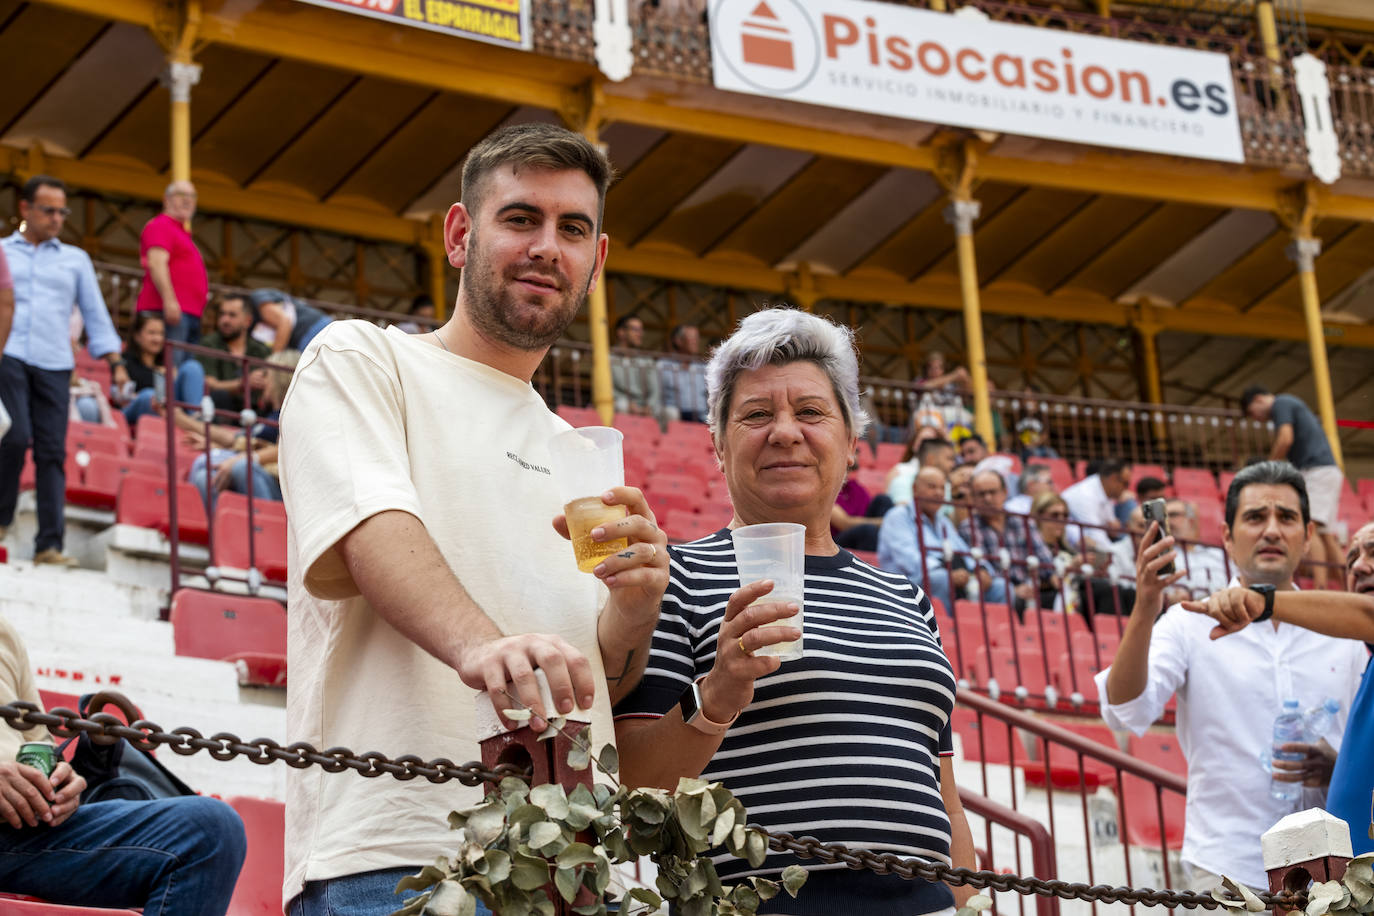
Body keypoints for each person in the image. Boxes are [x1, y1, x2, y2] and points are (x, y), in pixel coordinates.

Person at [277, 123, 669, 916]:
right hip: (398, 849)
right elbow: (371, 530)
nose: (546, 247)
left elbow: (604, 680)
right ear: (460, 235)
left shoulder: (580, 453)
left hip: (577, 870)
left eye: (573, 229)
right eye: (520, 218)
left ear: (598, 262)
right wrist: (482, 644)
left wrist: (634, 612)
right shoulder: (363, 359)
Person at [614, 308, 975, 916]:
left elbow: (939, 789)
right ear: (718, 446)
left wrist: (971, 905)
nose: (785, 432)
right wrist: (717, 697)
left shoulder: (905, 597)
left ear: (853, 441)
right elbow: (632, 784)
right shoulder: (671, 579)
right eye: (756, 415)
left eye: (810, 412)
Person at [1095, 461, 1367, 893]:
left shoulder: (1345, 633)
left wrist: (1338, 768)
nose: (1272, 531)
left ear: (1308, 535)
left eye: (1287, 518)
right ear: (1226, 536)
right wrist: (1147, 605)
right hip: (1227, 870)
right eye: (1256, 517)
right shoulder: (1188, 623)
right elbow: (1124, 708)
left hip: (1337, 874)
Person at [0, 616, 246, 912]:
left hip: (26, 831)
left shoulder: (5, 633)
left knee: (210, 830)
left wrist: (63, 784)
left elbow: (39, 743)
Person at [1182, 520, 1374, 854]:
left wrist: (1263, 602)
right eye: (1352, 558)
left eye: (1373, 553)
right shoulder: (1367, 660)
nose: (1359, 566)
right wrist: (1341, 764)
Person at [0, 176, 130, 565]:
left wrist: (115, 362)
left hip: (55, 362)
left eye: (62, 211)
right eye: (48, 210)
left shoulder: (75, 259)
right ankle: (2, 518)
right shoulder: (3, 251)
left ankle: (49, 545)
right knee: (15, 435)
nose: (57, 218)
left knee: (53, 452)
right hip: (7, 355)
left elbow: (95, 312)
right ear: (25, 209)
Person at [1242, 385, 1345, 589]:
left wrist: (1269, 465)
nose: (1258, 419)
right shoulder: (1291, 403)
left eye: (1253, 414)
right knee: (1325, 534)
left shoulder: (1282, 403)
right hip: (1326, 471)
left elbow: (1285, 438)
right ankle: (1347, 584)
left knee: (1311, 528)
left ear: (1258, 400)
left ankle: (1320, 587)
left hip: (1316, 471)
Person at [880, 465, 1003, 613]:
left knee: (1000, 586)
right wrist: (949, 572)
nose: (939, 493)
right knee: (941, 578)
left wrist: (982, 569)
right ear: (914, 489)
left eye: (942, 488)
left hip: (948, 576)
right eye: (932, 487)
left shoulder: (943, 522)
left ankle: (987, 633)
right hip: (905, 587)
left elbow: (964, 552)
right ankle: (944, 632)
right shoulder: (898, 516)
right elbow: (910, 560)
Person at [188, 350, 297, 508]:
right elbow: (239, 441)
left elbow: (283, 450)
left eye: (266, 374)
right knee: (205, 477)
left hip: (278, 485)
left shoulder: (292, 414)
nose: (261, 379)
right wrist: (216, 447)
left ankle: (264, 529)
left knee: (238, 467)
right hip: (256, 470)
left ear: (279, 377)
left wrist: (237, 459)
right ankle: (212, 530)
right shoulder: (269, 416)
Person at [136, 181, 207, 362]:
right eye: (181, 195)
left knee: (181, 371)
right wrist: (169, 300)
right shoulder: (161, 225)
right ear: (166, 199)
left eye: (192, 197)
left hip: (186, 312)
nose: (187, 201)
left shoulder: (180, 232)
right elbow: (157, 263)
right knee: (171, 371)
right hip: (169, 310)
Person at [960, 469, 1038, 608]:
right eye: (981, 494)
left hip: (1030, 587)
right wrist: (1014, 590)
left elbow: (1044, 561)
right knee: (1003, 589)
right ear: (973, 498)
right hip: (995, 590)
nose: (988, 498)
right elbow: (982, 568)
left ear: (1005, 492)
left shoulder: (1023, 522)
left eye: (992, 492)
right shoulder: (969, 527)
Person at [115, 312, 207, 427]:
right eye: (151, 333)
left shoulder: (167, 362)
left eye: (161, 334)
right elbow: (123, 396)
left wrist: (169, 377)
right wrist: (162, 377)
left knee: (192, 367)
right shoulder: (123, 361)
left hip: (169, 409)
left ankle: (197, 422)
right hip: (137, 408)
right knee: (149, 396)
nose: (157, 339)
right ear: (137, 336)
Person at [198, 293, 271, 414]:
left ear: (247, 321)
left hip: (255, 412)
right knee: (220, 397)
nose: (225, 320)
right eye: (222, 314)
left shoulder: (261, 350)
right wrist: (242, 383)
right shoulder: (209, 343)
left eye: (232, 315)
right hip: (221, 411)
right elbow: (209, 385)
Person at [830, 446, 893, 552]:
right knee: (868, 530)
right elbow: (845, 523)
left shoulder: (854, 487)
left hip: (865, 533)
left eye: (852, 467)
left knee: (883, 500)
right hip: (837, 542)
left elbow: (870, 509)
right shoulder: (827, 490)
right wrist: (887, 522)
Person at [1062, 458, 1132, 547]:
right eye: (1125, 483)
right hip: (1071, 546)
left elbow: (1111, 527)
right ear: (1113, 478)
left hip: (1095, 538)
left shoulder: (1105, 490)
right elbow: (1096, 535)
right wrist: (1119, 555)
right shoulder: (1086, 495)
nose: (1126, 489)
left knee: (1129, 503)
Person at [610, 313, 662, 423]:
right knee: (621, 405)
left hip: (645, 406)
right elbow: (606, 388)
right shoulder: (607, 359)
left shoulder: (647, 361)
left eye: (641, 330)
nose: (640, 334)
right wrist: (629, 404)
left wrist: (649, 406)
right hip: (620, 403)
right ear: (621, 333)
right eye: (635, 330)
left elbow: (655, 391)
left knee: (659, 409)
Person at [248, 288, 332, 354]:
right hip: (315, 329)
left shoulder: (256, 299)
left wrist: (274, 360)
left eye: (234, 315)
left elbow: (284, 322)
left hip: (311, 330)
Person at [657, 323, 708, 423]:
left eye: (697, 338)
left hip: (701, 416)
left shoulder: (703, 368)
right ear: (679, 341)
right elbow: (657, 396)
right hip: (676, 416)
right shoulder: (663, 366)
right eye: (692, 338)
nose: (696, 342)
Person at [884, 427, 947, 504]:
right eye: (923, 440)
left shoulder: (945, 477)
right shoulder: (899, 470)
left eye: (931, 441)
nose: (926, 445)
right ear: (914, 445)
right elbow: (885, 500)